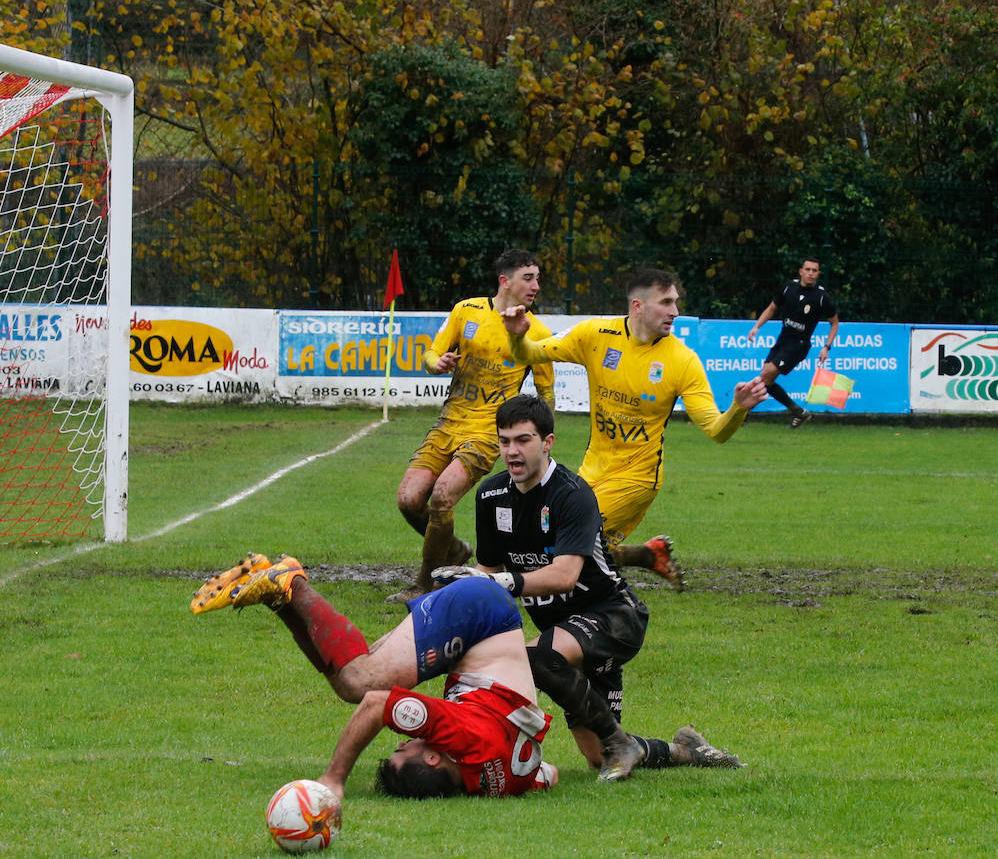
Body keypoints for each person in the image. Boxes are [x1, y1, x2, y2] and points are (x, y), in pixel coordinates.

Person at [434, 394, 744, 780]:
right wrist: (456, 608)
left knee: (534, 656)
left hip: (614, 618)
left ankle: (610, 742)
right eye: (504, 441)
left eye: (523, 440)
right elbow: (487, 569)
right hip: (569, 637)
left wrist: (499, 581)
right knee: (600, 756)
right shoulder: (491, 496)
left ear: (547, 442)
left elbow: (564, 575)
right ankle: (687, 750)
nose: (512, 451)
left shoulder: (572, 494)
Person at [189, 554, 557, 799]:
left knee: (348, 675)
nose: (403, 740)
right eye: (405, 747)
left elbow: (549, 773)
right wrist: (334, 778)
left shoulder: (505, 783)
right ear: (432, 759)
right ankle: (290, 580)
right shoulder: (458, 734)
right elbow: (376, 705)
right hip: (483, 616)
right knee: (361, 684)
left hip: (482, 636)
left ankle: (279, 597)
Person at [501, 267, 768, 590]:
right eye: (666, 302)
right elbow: (530, 353)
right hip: (594, 467)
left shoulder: (683, 361)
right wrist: (517, 335)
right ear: (638, 306)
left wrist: (738, 408)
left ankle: (613, 609)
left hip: (638, 477)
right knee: (569, 538)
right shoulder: (595, 335)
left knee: (567, 536)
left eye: (676, 302)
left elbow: (716, 430)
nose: (675, 312)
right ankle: (646, 555)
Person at [393, 249, 555, 602]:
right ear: (505, 281)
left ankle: (425, 583)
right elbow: (430, 355)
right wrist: (437, 363)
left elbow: (546, 393)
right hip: (448, 421)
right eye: (529, 278)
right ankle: (453, 550)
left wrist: (541, 438)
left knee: (442, 497)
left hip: (486, 432)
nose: (536, 286)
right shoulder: (466, 310)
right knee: (408, 500)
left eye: (537, 279)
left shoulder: (536, 331)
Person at [747, 256, 841, 429]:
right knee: (765, 381)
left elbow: (834, 324)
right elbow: (772, 308)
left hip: (799, 345)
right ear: (801, 271)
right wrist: (757, 327)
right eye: (808, 269)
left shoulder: (821, 297)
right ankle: (798, 412)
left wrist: (826, 347)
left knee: (766, 374)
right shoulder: (788, 288)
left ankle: (743, 412)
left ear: (818, 274)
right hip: (783, 340)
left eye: (814, 270)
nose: (811, 273)